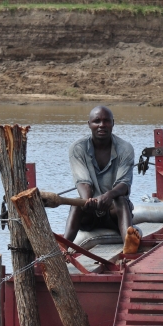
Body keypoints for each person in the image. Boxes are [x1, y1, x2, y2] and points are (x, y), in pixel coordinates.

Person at [64, 106, 141, 254]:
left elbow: (124, 184)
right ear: (89, 124)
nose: (102, 125)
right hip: (90, 213)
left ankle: (129, 244)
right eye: (97, 121)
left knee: (121, 200)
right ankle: (63, 246)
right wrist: (88, 201)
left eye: (106, 121)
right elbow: (83, 181)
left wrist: (108, 196)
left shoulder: (125, 148)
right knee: (76, 204)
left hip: (113, 213)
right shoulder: (78, 148)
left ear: (113, 123)